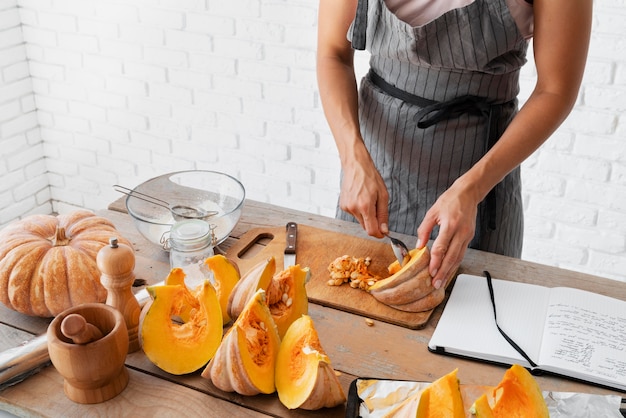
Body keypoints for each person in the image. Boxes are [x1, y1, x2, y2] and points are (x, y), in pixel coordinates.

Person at [316, 0, 592, 290]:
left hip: (483, 182)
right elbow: (332, 54)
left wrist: (472, 190)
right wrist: (352, 158)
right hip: (373, 172)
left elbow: (555, 90)